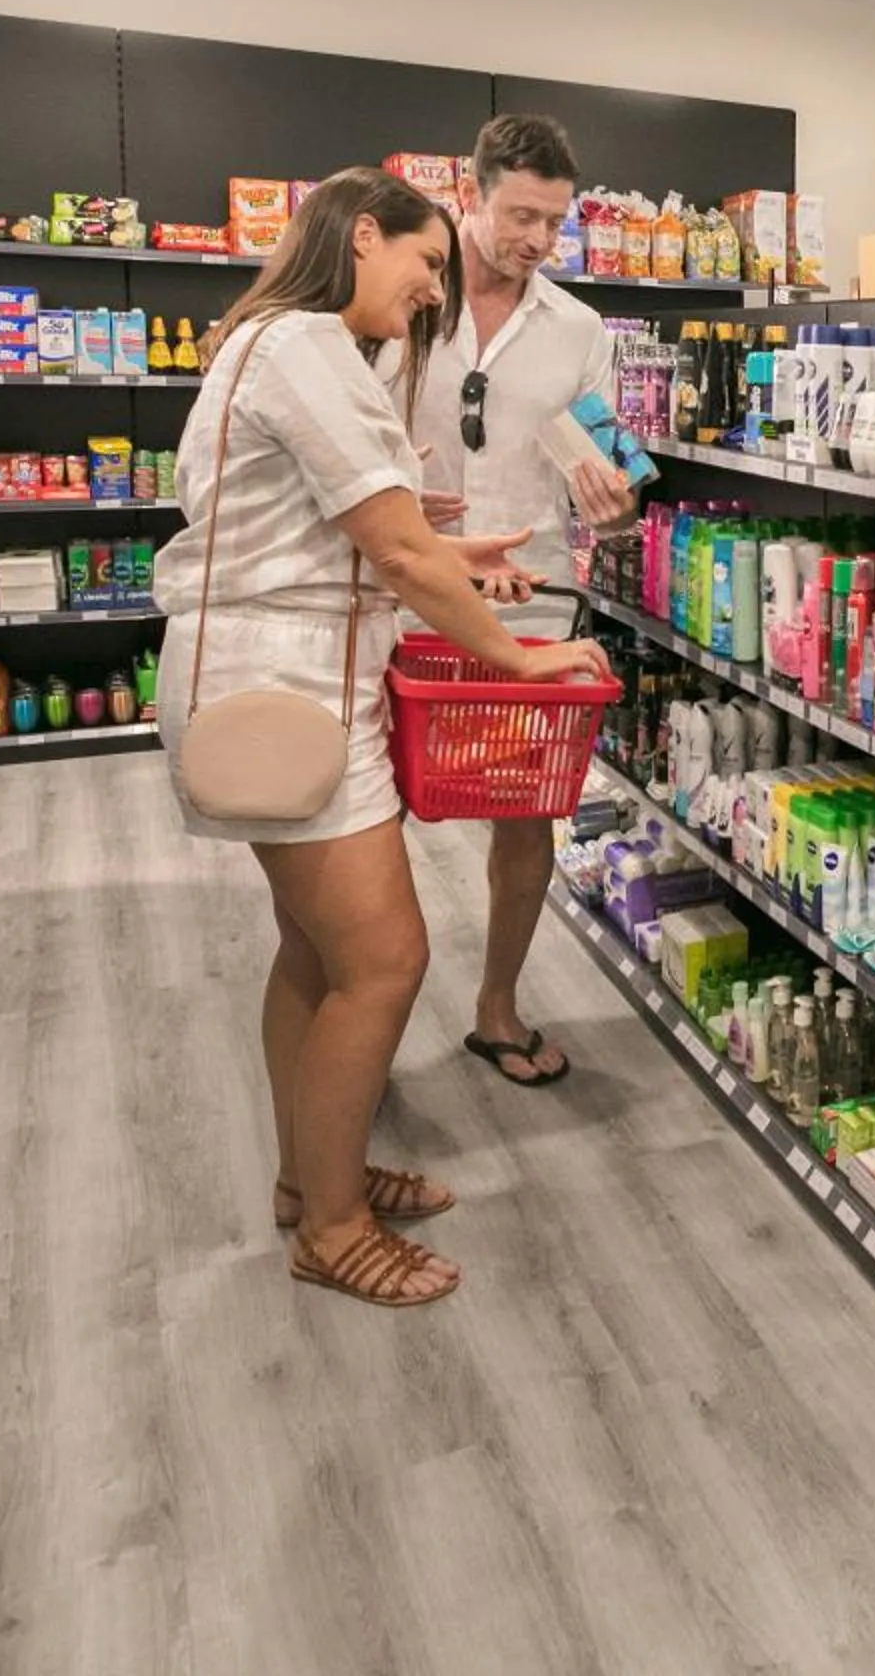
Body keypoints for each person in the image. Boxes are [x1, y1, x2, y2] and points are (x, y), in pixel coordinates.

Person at [153, 167, 615, 1309]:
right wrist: (515, 652)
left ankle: (310, 1174)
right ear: (363, 235)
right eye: (424, 266)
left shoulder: (274, 339)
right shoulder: (306, 345)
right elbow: (394, 553)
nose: (428, 295)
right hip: (287, 695)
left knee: (316, 952)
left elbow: (352, 537)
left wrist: (451, 553)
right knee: (388, 956)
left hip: (293, 683)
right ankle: (335, 1225)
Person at [393, 114, 638, 1091]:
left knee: (525, 811)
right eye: (520, 214)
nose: (538, 238)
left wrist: (617, 502)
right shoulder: (408, 297)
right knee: (368, 810)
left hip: (531, 600)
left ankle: (497, 1006)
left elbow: (612, 482)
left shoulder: (579, 330)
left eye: (554, 221)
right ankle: (364, 1009)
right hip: (400, 588)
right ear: (473, 193)